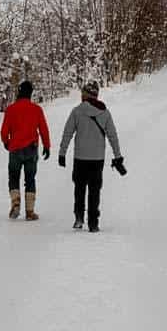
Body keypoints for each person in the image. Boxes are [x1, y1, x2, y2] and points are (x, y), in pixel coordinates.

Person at [58, 80, 125, 232]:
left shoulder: (77, 111)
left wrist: (62, 153)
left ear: (86, 95)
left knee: (79, 188)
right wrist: (118, 155)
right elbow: (113, 136)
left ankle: (79, 218)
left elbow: (67, 133)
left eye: (83, 93)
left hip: (80, 158)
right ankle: (93, 222)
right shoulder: (105, 113)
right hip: (97, 158)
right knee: (95, 190)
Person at [0, 80, 51, 221]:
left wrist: (6, 142)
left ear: (19, 92)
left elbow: (4, 130)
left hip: (15, 148)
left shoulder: (11, 109)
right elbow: (43, 129)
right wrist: (47, 146)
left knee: (14, 177)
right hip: (31, 149)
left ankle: (15, 204)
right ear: (31, 93)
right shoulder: (36, 109)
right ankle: (30, 211)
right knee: (30, 179)